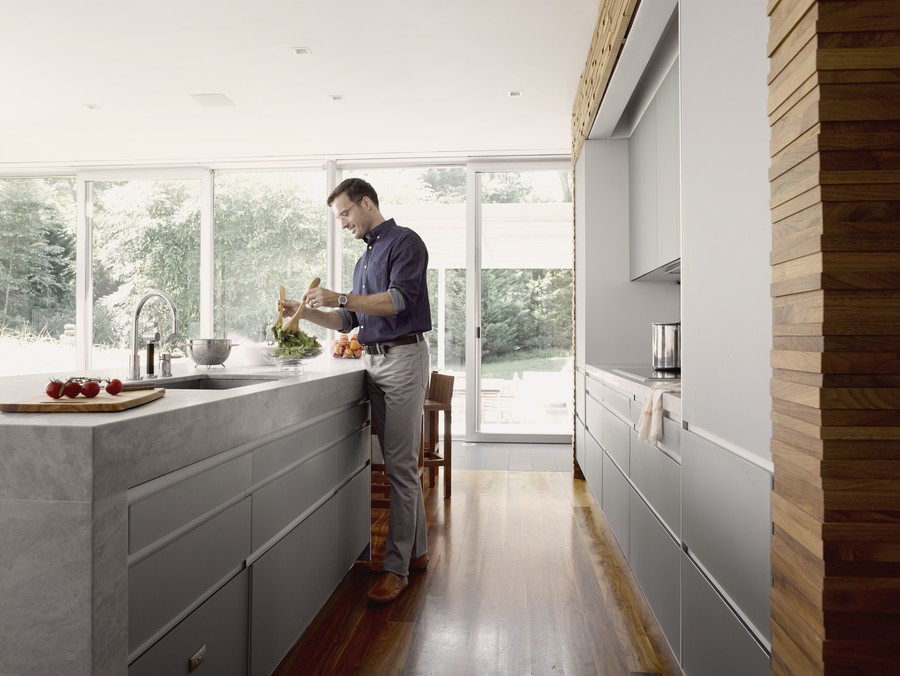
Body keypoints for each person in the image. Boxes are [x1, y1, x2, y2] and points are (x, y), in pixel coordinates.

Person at [282, 177, 432, 604]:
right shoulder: (364, 259)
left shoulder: (405, 243)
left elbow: (398, 302)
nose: (343, 223)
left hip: (403, 360)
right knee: (397, 463)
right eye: (340, 217)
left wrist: (341, 297)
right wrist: (305, 312)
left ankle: (396, 569)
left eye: (346, 213)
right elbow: (349, 324)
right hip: (374, 360)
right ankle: (416, 553)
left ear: (366, 203)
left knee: (399, 467)